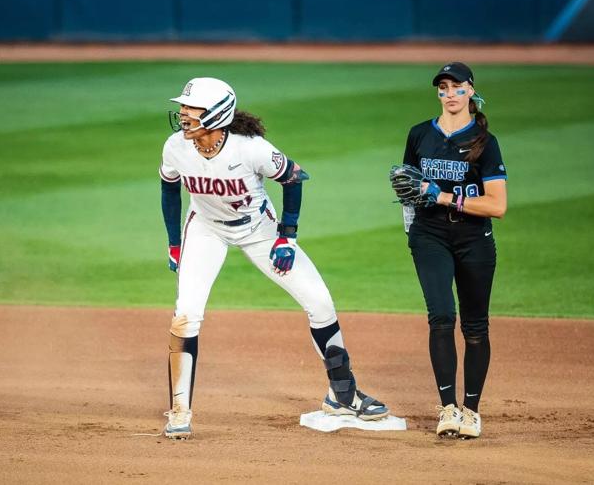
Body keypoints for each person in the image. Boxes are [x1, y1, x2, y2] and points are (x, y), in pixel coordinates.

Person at [159, 77, 389, 439]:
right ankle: (179, 411)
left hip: (258, 229)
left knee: (320, 302)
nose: (183, 115)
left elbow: (294, 177)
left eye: (192, 109)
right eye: (183, 108)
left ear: (217, 114)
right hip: (205, 229)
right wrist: (174, 241)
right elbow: (169, 187)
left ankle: (343, 394)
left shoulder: (252, 149)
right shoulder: (175, 147)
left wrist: (288, 235)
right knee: (186, 315)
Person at [395, 62, 507, 439]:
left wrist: (441, 196)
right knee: (441, 316)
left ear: (471, 91)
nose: (450, 94)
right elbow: (408, 187)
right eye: (443, 87)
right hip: (429, 236)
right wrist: (411, 228)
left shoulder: (485, 143)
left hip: (475, 239)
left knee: (475, 327)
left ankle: (471, 411)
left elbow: (497, 206)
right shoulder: (418, 135)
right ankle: (447, 408)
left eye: (457, 87)